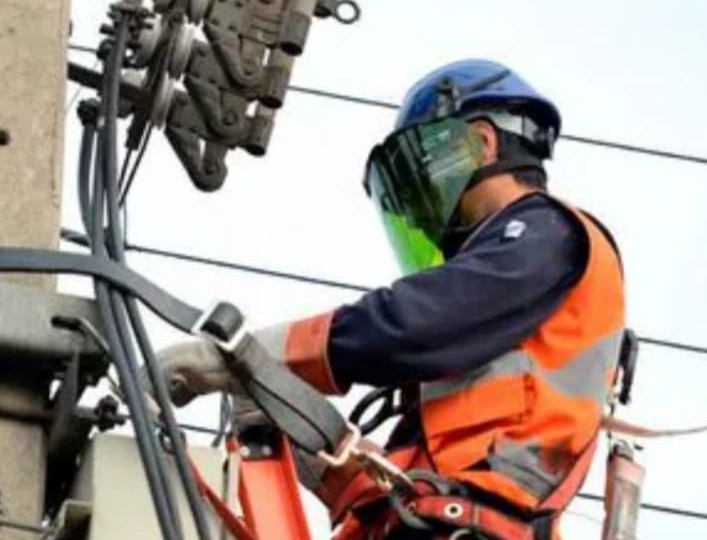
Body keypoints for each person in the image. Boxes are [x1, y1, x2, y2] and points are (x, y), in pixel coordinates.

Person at [154, 59, 626, 539]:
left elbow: (412, 323)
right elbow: (415, 481)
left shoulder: (547, 232)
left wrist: (247, 356)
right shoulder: (480, 363)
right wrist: (302, 427)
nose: (420, 212)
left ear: (482, 142)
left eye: (424, 174)